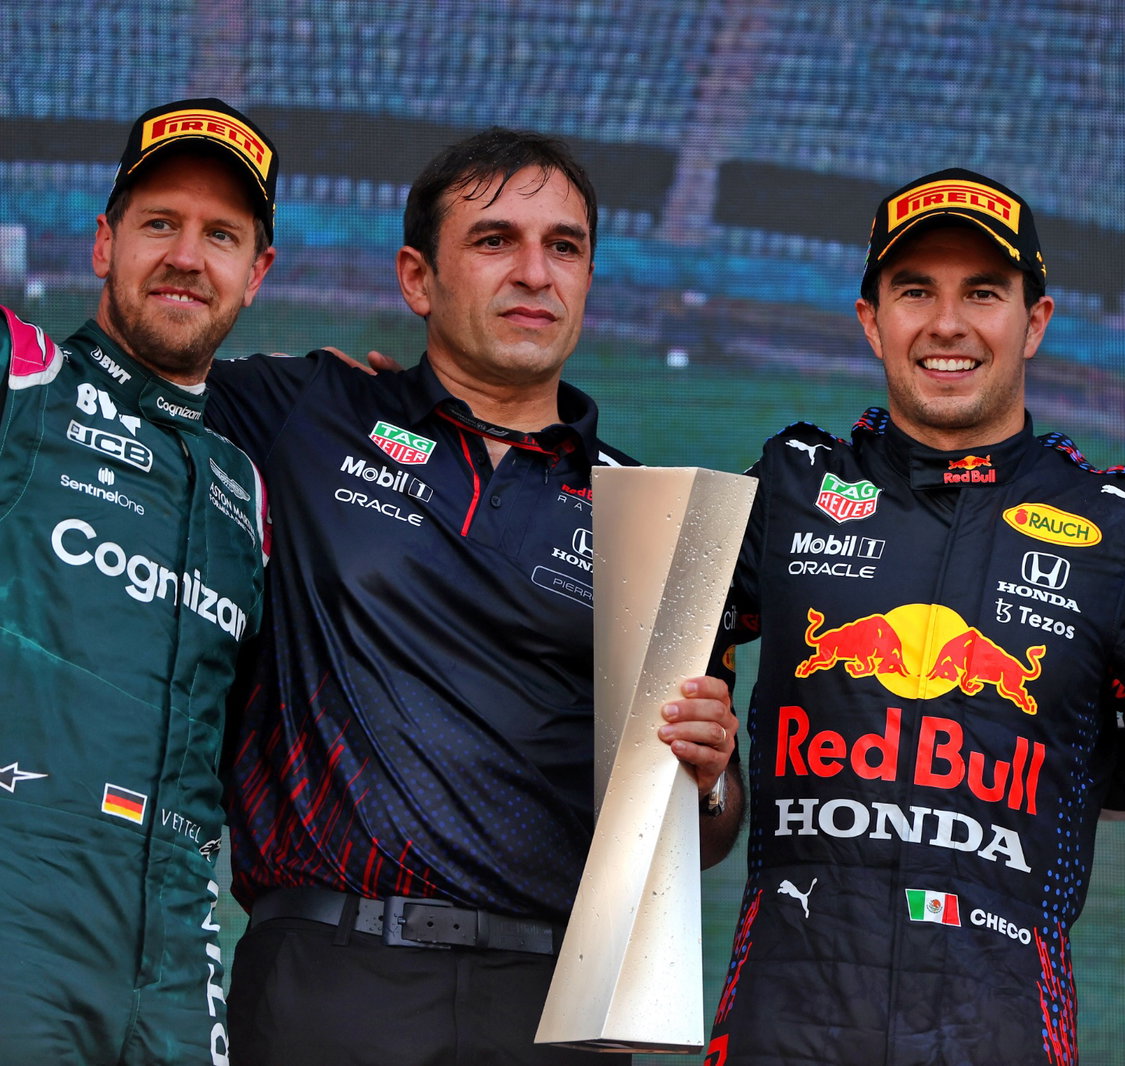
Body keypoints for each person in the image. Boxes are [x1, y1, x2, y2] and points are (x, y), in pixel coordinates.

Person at [202, 129, 740, 1065]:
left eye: (564, 247)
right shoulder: (300, 411)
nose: (535, 272)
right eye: (496, 241)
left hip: (554, 1009)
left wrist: (714, 771)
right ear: (418, 279)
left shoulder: (661, 523)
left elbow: (711, 827)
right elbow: (128, 378)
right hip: (329, 978)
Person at [701, 168, 1125, 1066]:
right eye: (917, 291)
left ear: (1035, 322)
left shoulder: (1119, 526)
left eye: (982, 293)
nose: (947, 324)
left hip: (996, 1028)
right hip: (783, 1020)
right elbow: (640, 633)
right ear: (872, 319)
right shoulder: (792, 484)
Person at [0, 98, 276, 1064]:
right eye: (160, 224)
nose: (187, 256)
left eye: (221, 235)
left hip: (177, 927)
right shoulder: (23, 379)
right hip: (20, 888)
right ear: (103, 243)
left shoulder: (251, 486)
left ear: (257, 273)